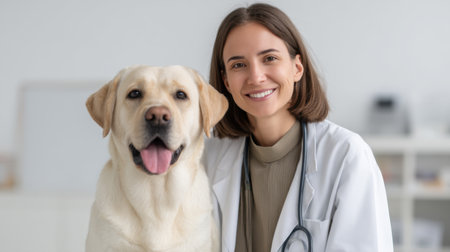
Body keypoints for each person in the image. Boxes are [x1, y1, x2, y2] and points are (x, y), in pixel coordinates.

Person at [202, 3, 393, 252]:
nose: (256, 77)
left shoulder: (346, 156)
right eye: (239, 65)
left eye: (269, 58)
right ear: (226, 80)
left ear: (297, 68)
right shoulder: (210, 158)